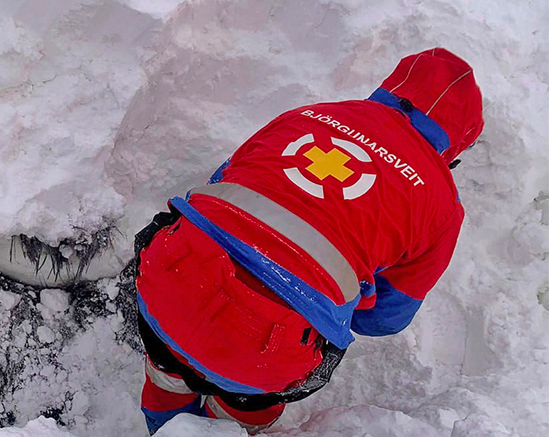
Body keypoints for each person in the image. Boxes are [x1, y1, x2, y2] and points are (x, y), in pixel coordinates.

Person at [135, 48, 484, 434]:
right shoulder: (442, 204)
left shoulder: (308, 115)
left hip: (170, 277)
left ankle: (162, 417)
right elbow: (385, 318)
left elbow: (223, 183)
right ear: (456, 144)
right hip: (267, 350)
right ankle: (227, 420)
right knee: (245, 403)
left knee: (168, 365)